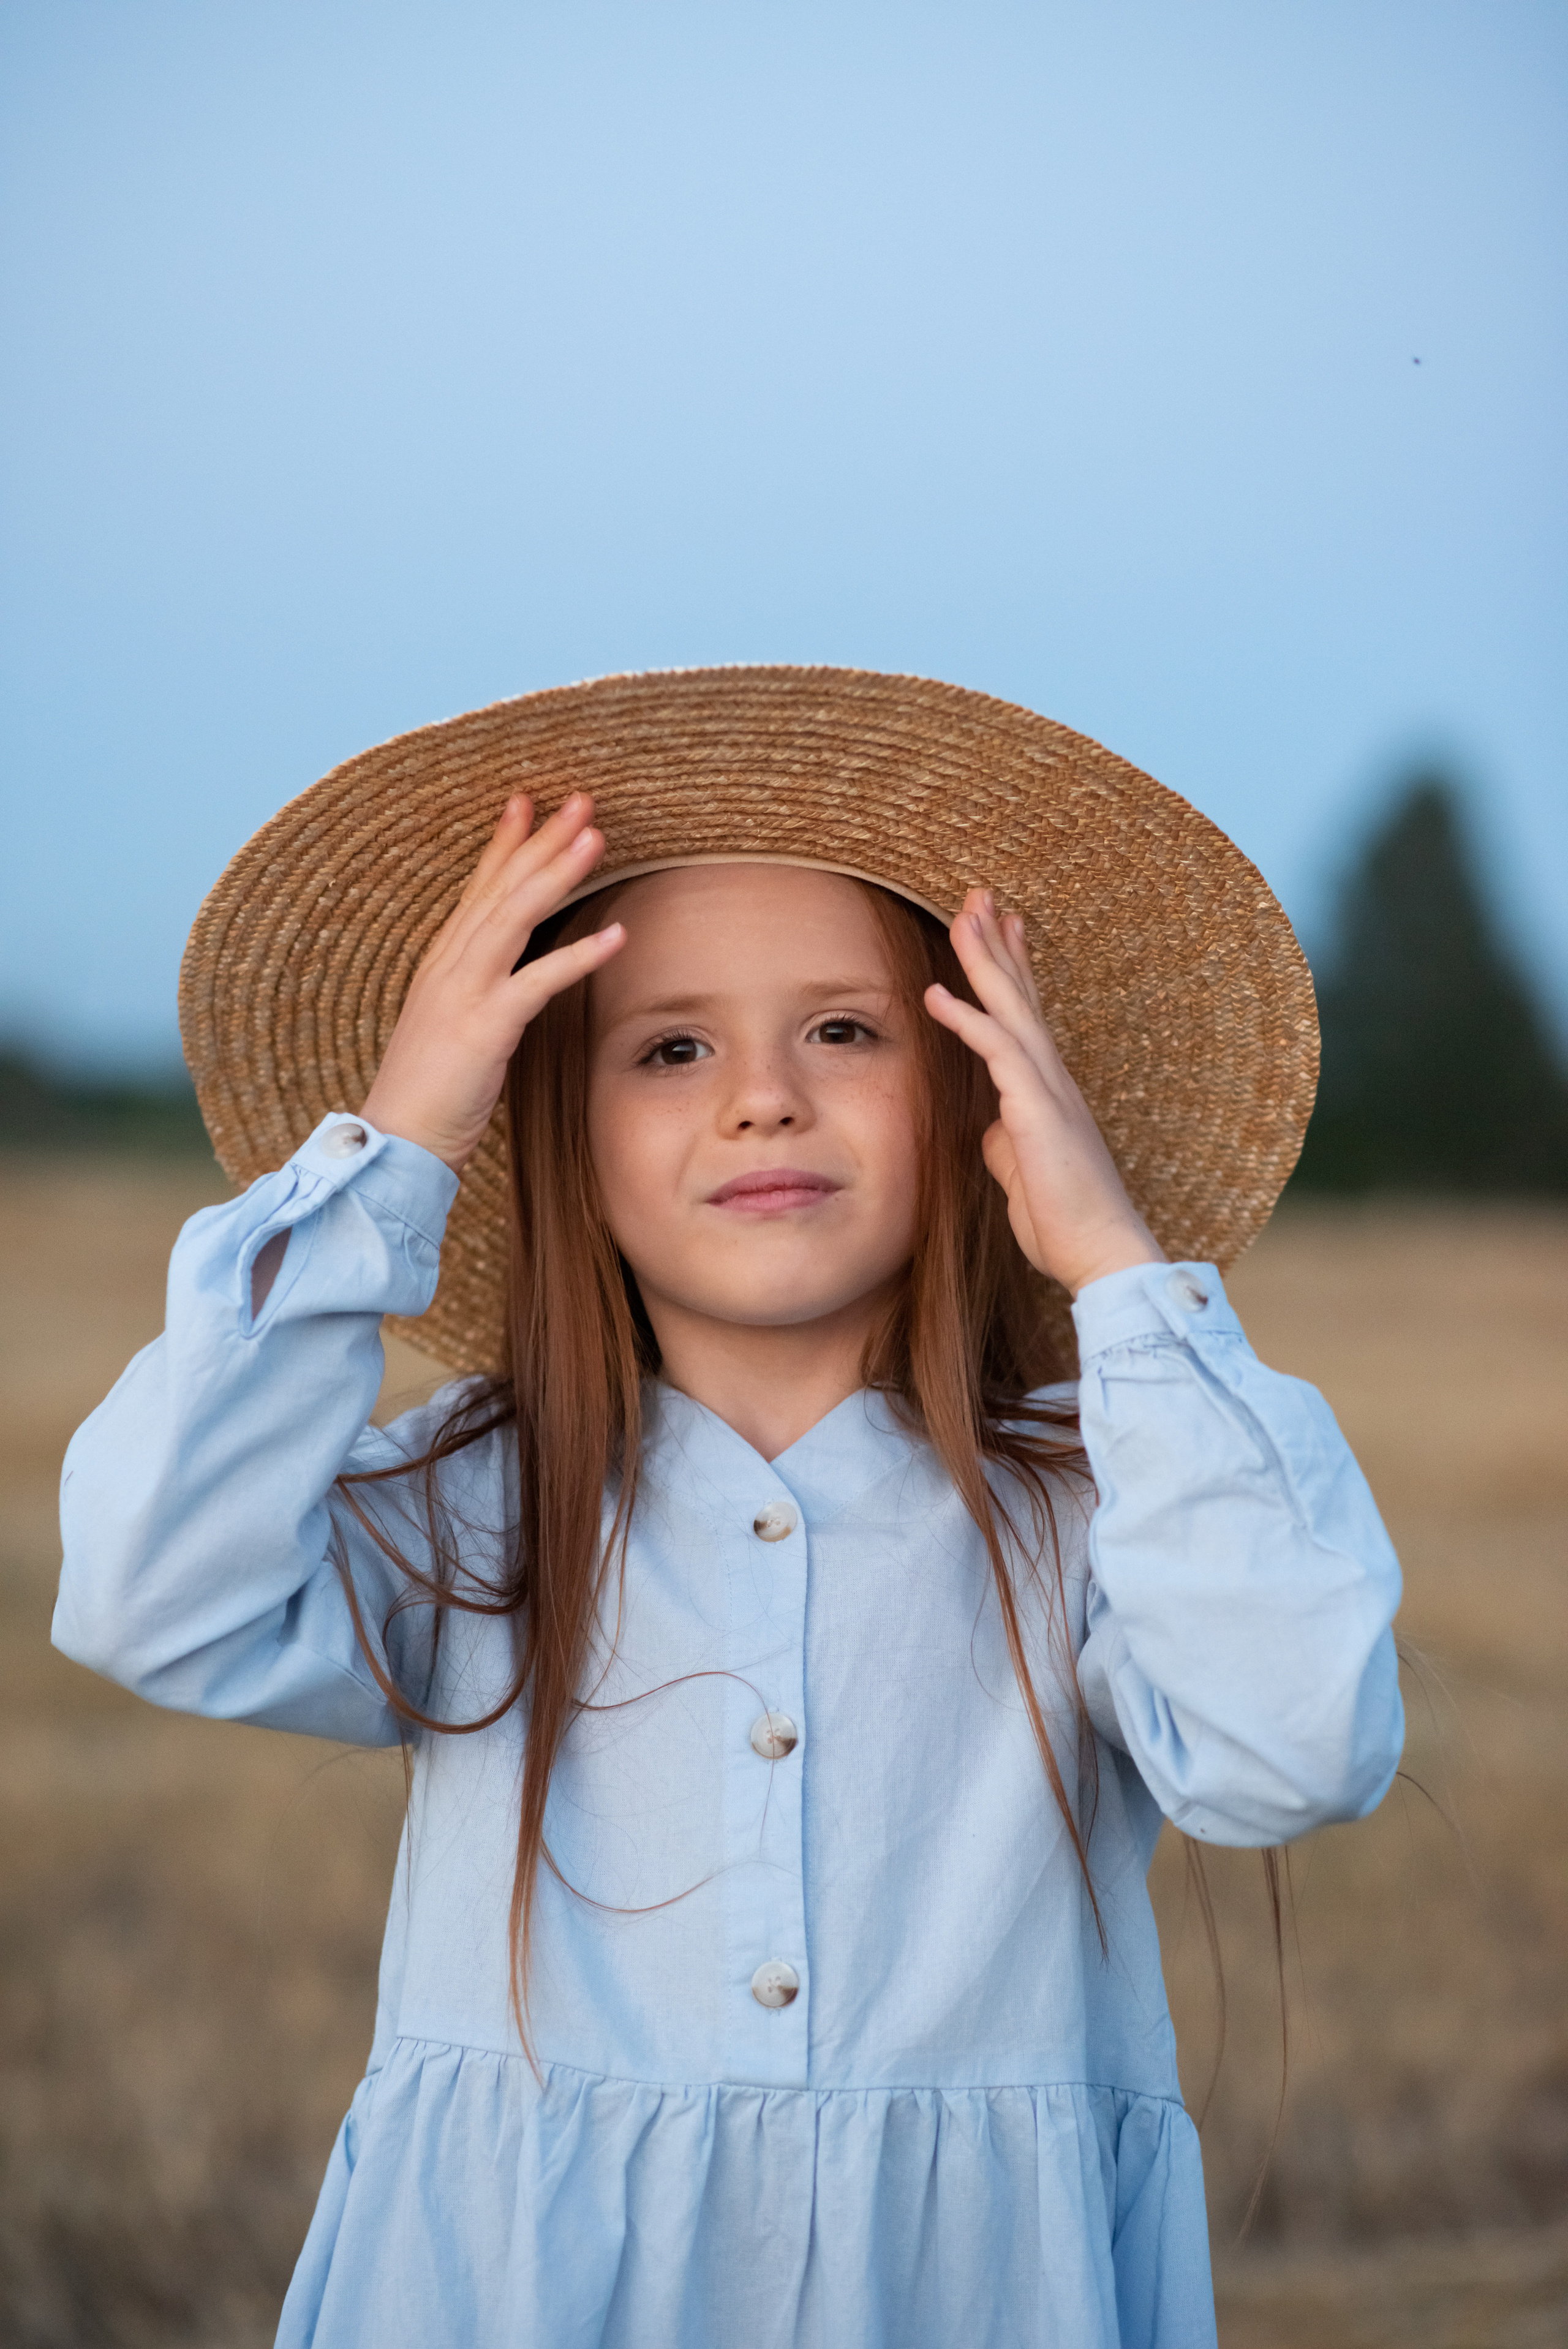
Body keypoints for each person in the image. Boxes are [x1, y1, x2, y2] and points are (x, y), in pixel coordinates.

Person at [54, 668, 1404, 2349]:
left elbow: (1298, 1742)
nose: (761, 1095)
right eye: (669, 1046)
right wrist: (400, 1142)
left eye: (847, 1030)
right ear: (549, 1124)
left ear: (986, 1096)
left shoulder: (1090, 1503)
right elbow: (145, 1591)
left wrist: (1121, 1271)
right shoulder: (479, 1492)